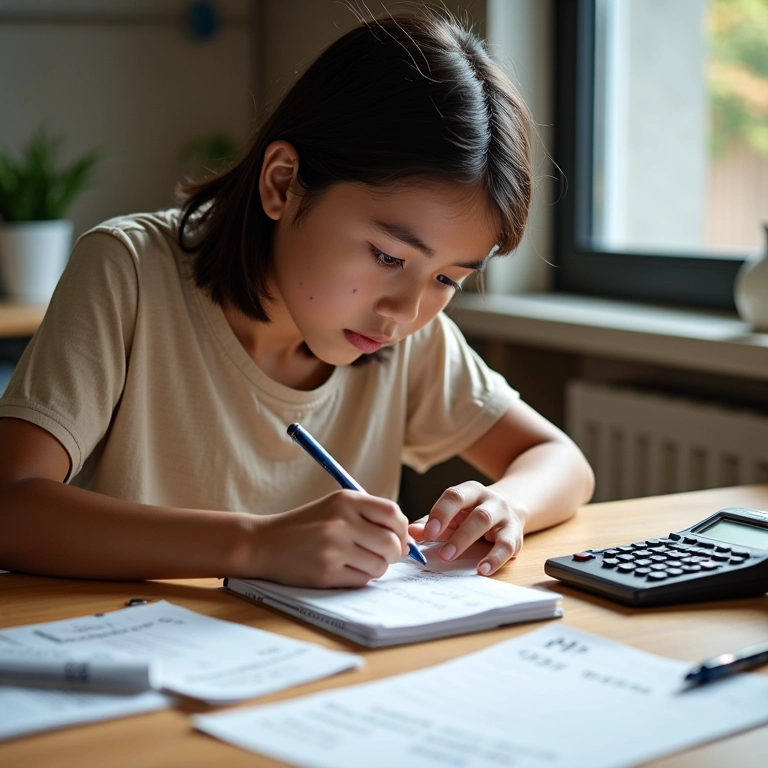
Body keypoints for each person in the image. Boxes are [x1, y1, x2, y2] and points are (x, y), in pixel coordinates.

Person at [0, 11, 594, 588]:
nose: (405, 311)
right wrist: (255, 545)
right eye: (388, 257)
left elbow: (560, 459)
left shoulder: (410, 336)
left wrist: (506, 507)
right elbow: (11, 503)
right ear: (282, 182)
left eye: (448, 280)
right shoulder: (128, 270)